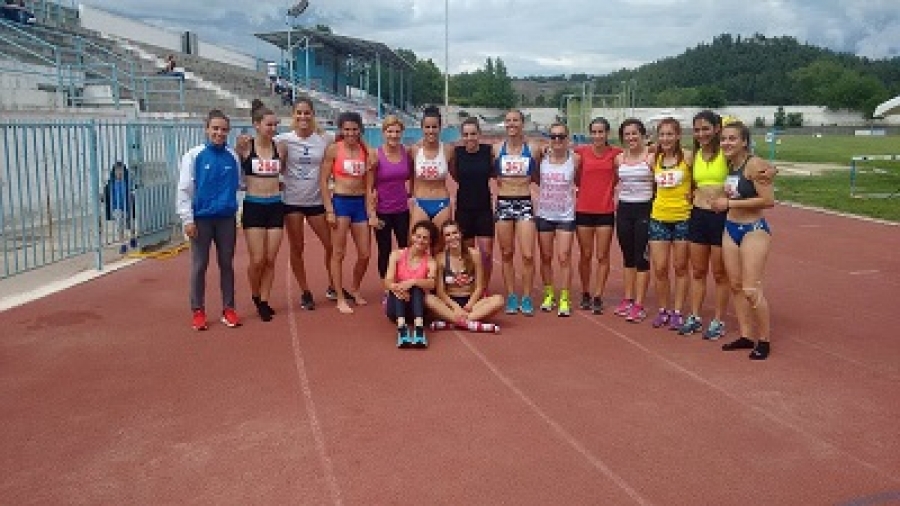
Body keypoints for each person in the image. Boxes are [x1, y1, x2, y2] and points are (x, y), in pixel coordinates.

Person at [710, 121, 776, 360]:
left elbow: (768, 200)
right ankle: (746, 335)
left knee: (750, 288)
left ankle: (764, 340)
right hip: (731, 228)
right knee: (736, 285)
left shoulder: (754, 164)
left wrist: (729, 203)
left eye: (732, 139)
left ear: (744, 142)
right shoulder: (729, 163)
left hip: (753, 229)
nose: (726, 143)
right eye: (723, 139)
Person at [176, 109, 242, 330]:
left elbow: (240, 183)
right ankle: (198, 311)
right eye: (215, 128)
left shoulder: (232, 156)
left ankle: (228, 309)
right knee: (199, 265)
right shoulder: (194, 155)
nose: (219, 133)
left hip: (226, 219)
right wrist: (187, 219)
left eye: (223, 129)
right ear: (206, 129)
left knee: (227, 264)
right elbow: (184, 189)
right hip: (201, 219)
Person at [276, 97, 341, 310]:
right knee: (297, 247)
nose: (303, 116)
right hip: (292, 202)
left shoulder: (325, 138)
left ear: (313, 115)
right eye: (299, 113)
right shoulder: (282, 139)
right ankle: (305, 291)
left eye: (307, 113)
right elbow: (259, 145)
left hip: (316, 200)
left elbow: (352, 137)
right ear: (293, 115)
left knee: (331, 245)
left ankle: (333, 285)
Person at [319, 111, 378, 314]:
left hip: (359, 203)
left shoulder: (366, 151)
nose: (351, 133)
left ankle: (354, 288)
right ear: (341, 130)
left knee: (365, 253)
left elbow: (369, 185)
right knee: (338, 253)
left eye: (354, 129)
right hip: (341, 203)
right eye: (347, 129)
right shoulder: (334, 150)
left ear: (360, 130)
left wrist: (371, 211)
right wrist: (329, 209)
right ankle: (339, 297)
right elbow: (323, 181)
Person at [678, 110, 730, 339]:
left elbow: (752, 165)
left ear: (717, 129)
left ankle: (718, 320)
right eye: (697, 130)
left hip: (721, 217)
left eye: (706, 129)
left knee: (719, 273)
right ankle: (695, 316)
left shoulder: (727, 154)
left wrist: (768, 170)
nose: (701, 134)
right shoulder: (695, 155)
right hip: (698, 216)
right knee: (698, 271)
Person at [235, 100, 284, 322]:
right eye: (269, 125)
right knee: (257, 260)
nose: (273, 129)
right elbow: (236, 170)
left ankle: (264, 300)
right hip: (254, 205)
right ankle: (255, 293)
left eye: (275, 125)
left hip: (275, 205)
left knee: (271, 259)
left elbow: (284, 172)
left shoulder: (280, 148)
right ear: (256, 125)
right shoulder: (246, 147)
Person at [493, 109, 543, 316]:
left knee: (528, 254)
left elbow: (540, 173)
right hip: (504, 202)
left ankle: (527, 296)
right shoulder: (497, 148)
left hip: (524, 202)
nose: (511, 124)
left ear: (522, 123)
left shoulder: (534, 148)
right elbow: (492, 172)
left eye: (515, 120)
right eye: (508, 121)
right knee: (506, 253)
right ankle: (512, 295)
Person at [573, 117, 622, 314]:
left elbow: (618, 175)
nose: (597, 136)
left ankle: (598, 295)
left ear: (607, 133)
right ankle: (585, 291)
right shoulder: (581, 152)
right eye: (594, 132)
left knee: (602, 255)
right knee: (585, 255)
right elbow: (575, 176)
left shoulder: (616, 154)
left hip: (605, 211)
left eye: (601, 132)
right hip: (584, 209)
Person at [648, 117, 693, 331]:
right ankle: (663, 309)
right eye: (662, 134)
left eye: (670, 134)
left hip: (683, 217)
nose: (666, 139)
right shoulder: (654, 158)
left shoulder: (689, 158)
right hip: (659, 217)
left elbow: (699, 181)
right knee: (660, 268)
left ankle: (677, 311)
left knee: (680, 267)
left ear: (678, 136)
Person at [535, 123, 581, 317]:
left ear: (567, 138)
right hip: (545, 214)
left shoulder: (575, 159)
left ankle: (564, 297)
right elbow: (535, 177)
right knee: (546, 257)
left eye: (561, 136)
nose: (557, 140)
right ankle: (548, 294)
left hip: (565, 216)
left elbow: (580, 180)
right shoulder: (542, 157)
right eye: (553, 136)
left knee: (564, 257)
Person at [427, 221, 504, 332]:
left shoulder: (474, 255)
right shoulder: (440, 259)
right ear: (443, 239)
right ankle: (471, 324)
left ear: (460, 234)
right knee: (428, 299)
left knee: (499, 300)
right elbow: (440, 292)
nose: (452, 237)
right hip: (450, 303)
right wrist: (456, 307)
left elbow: (479, 287)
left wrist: (469, 305)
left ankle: (452, 323)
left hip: (471, 302)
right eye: (448, 235)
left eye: (455, 233)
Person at [612, 119, 654, 323]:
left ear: (642, 134)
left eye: (634, 133)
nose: (631, 138)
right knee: (627, 256)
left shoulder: (651, 157)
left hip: (644, 210)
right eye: (627, 134)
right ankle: (628, 298)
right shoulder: (619, 159)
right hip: (624, 210)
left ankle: (639, 303)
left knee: (641, 258)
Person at [450, 117, 496, 290]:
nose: (470, 138)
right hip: (464, 209)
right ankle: (470, 286)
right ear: (462, 136)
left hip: (484, 209)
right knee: (467, 254)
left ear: (479, 134)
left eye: (473, 134)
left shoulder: (488, 151)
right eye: (466, 134)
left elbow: (493, 172)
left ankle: (483, 288)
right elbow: (454, 174)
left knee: (486, 253)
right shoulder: (457, 153)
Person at [384, 220, 439, 348]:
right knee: (399, 287)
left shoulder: (431, 261)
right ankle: (402, 328)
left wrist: (413, 281)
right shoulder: (396, 255)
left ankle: (419, 329)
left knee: (417, 287)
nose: (420, 240)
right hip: (396, 307)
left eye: (425, 238)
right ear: (412, 236)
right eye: (418, 236)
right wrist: (397, 287)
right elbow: (387, 281)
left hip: (418, 307)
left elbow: (432, 283)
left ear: (430, 241)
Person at [372, 116, 412, 283]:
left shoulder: (406, 152)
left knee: (405, 248)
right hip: (382, 211)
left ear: (402, 133)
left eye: (397, 131)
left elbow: (412, 174)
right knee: (385, 250)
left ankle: (405, 282)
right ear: (383, 133)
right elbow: (369, 186)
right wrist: (372, 214)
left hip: (402, 210)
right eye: (390, 131)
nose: (394, 135)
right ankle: (387, 285)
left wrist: (412, 191)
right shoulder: (376, 154)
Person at [409, 106, 454, 231]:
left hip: (442, 202)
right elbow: (409, 173)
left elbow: (457, 175)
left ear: (440, 128)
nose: (431, 131)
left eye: (434, 127)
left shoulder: (448, 150)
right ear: (422, 128)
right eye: (427, 127)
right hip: (421, 202)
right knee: (417, 240)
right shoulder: (414, 150)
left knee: (440, 240)